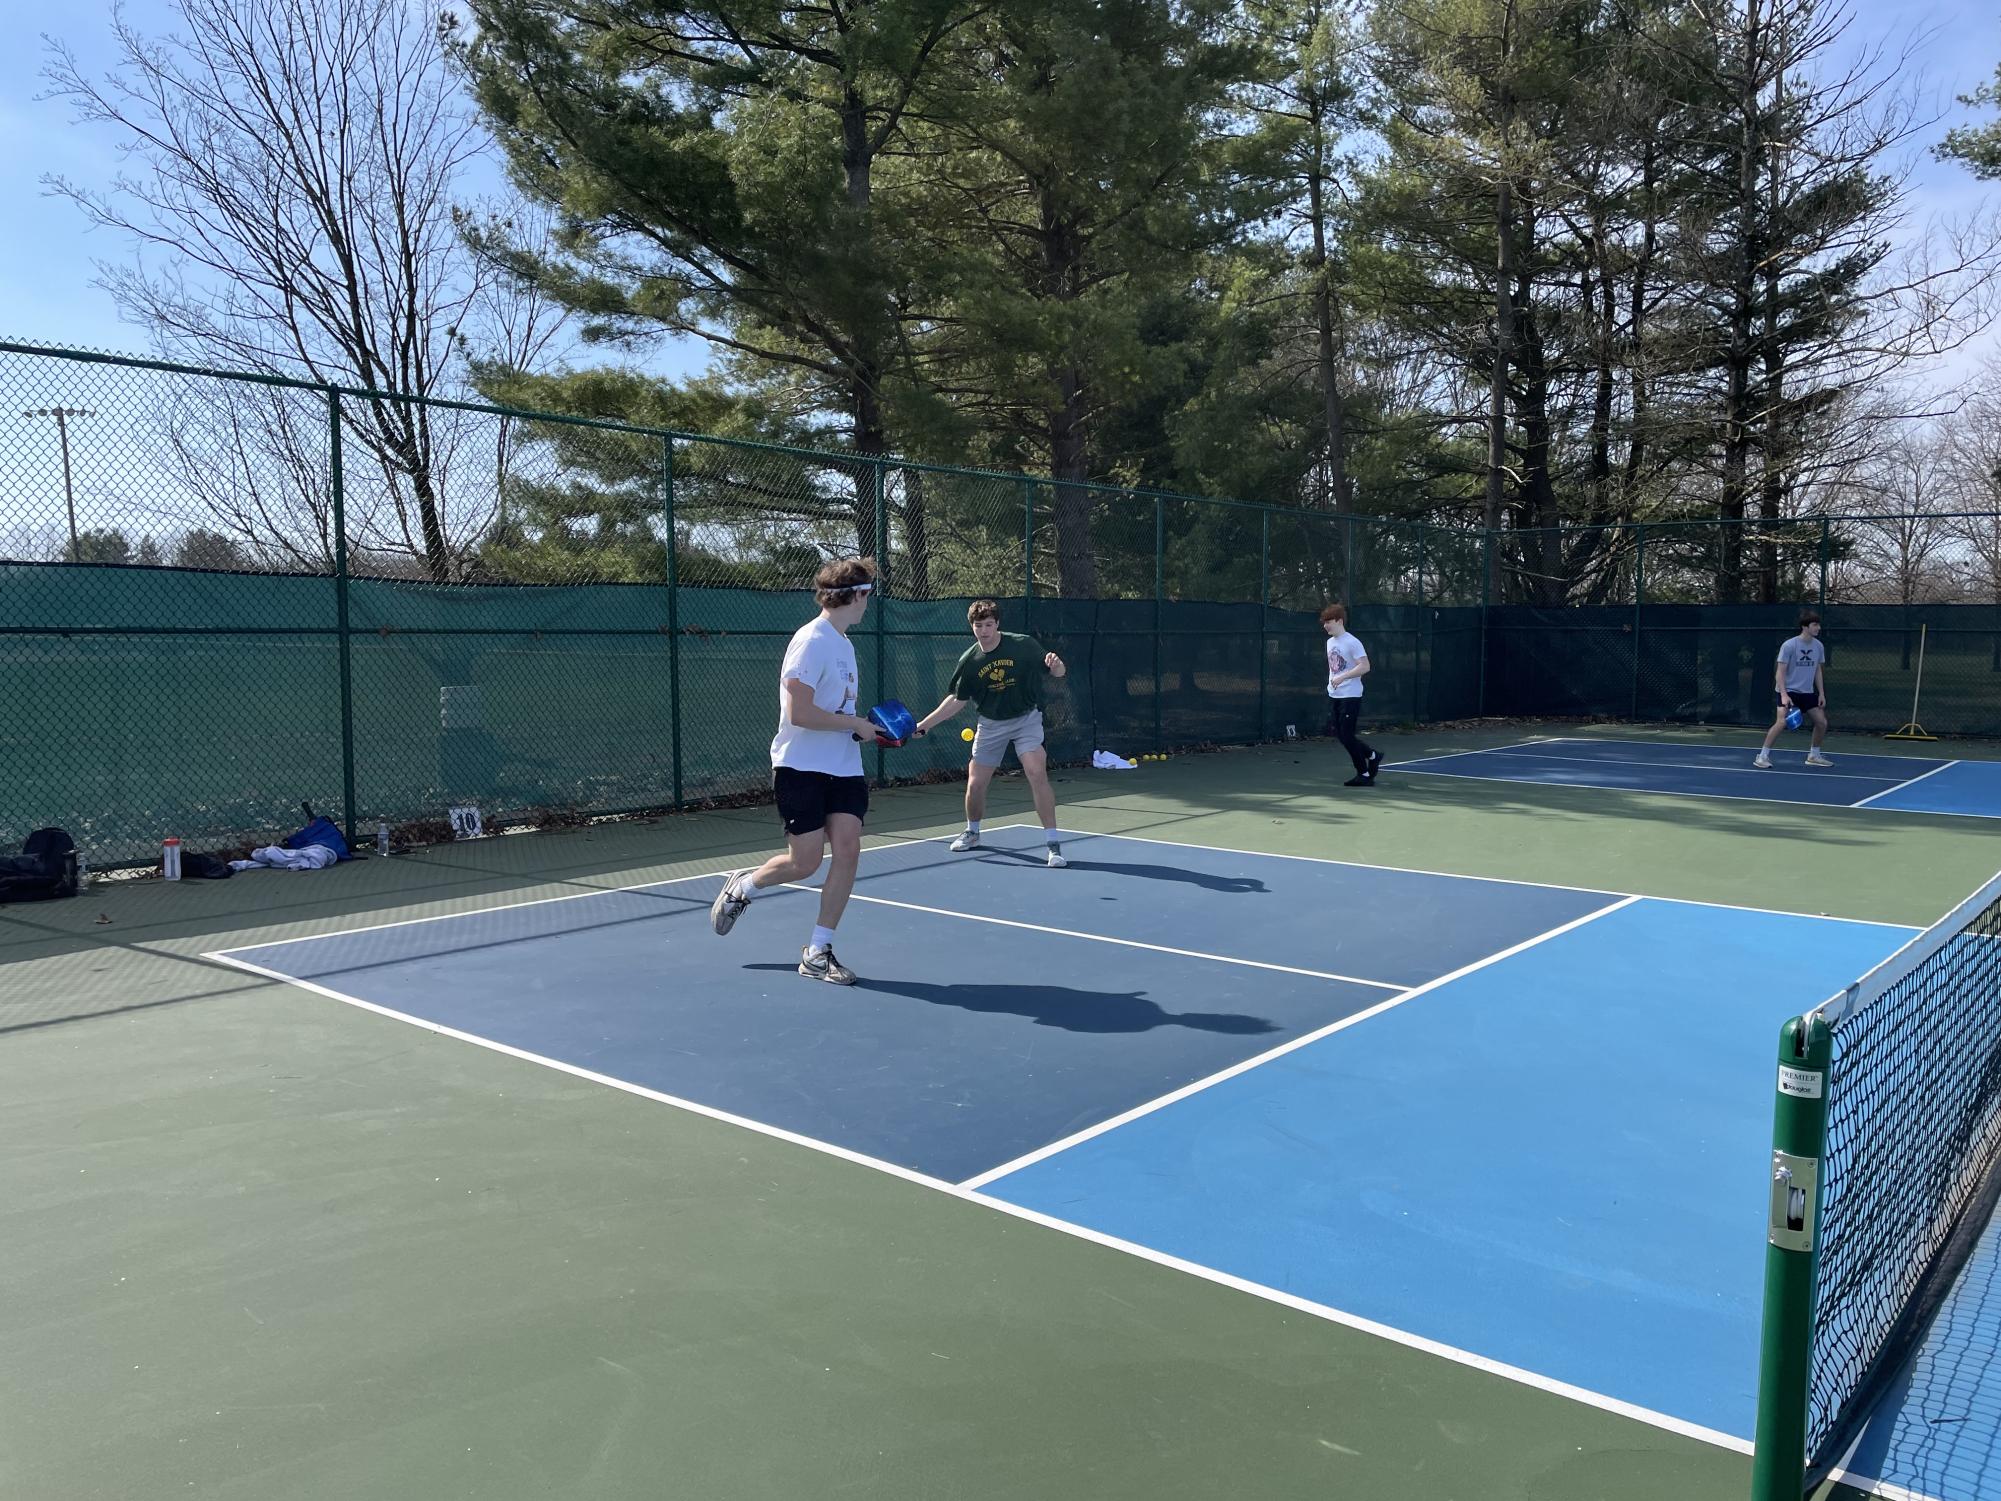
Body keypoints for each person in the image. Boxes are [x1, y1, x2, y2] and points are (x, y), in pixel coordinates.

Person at [709, 557, 882, 985]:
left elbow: (836, 710)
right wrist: (853, 723)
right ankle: (744, 886)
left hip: (843, 766)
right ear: (855, 595)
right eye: (867, 595)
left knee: (848, 849)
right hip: (800, 767)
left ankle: (817, 951)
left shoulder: (844, 644)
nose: (868, 604)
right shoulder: (811, 640)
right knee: (805, 863)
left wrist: (864, 729)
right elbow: (799, 712)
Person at [914, 599, 1070, 867]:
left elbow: (1057, 671)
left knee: (1035, 770)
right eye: (978, 625)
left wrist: (1057, 666)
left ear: (997, 624)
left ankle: (1053, 845)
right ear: (972, 627)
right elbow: (956, 700)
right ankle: (972, 831)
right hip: (990, 724)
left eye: (989, 624)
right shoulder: (970, 661)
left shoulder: (1023, 645)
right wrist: (925, 724)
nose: (984, 630)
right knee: (975, 783)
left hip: (1026, 719)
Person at [1755, 609, 1832, 769]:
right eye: (1815, 625)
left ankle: (1814, 755)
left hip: (1807, 692)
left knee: (1822, 722)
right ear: (1805, 627)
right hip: (1788, 690)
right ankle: (1762, 756)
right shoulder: (1789, 645)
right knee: (1781, 722)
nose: (1818, 628)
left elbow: (1817, 670)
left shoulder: (1818, 646)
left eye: (1818, 625)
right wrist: (1784, 695)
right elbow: (1780, 672)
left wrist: (1821, 693)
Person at [1321, 602, 1381, 787]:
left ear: (1339, 621)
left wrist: (1343, 678)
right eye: (1323, 622)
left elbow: (1365, 666)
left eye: (1328, 622)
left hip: (1351, 695)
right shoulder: (1330, 642)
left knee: (1346, 736)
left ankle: (1363, 774)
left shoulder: (1352, 642)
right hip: (1335, 695)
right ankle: (1372, 755)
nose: (1325, 626)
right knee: (1341, 735)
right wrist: (1333, 683)